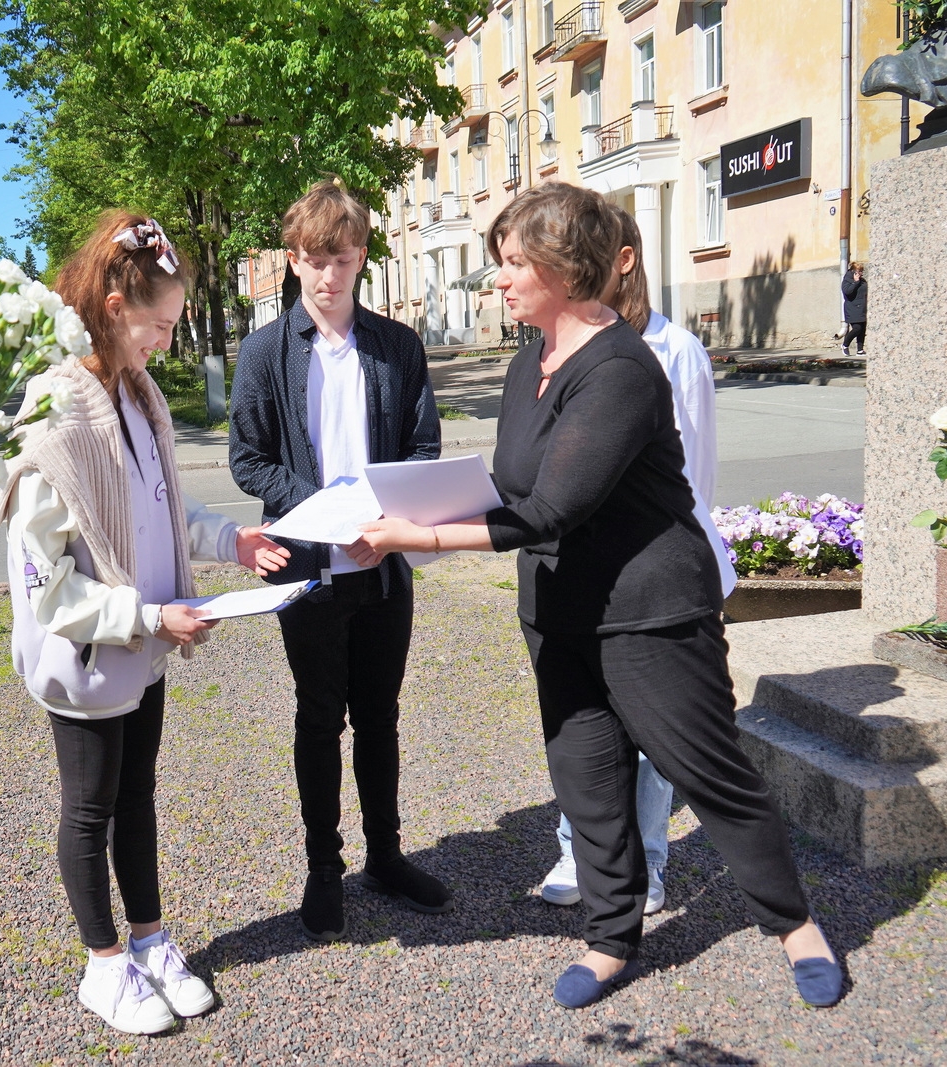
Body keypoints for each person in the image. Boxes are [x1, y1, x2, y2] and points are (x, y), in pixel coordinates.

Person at [351, 182, 843, 1011]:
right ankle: (613, 938)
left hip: (651, 614)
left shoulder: (620, 367)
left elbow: (552, 507)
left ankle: (797, 926)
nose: (499, 280)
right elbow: (513, 485)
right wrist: (419, 503)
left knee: (708, 771)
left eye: (514, 264)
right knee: (587, 783)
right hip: (559, 614)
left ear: (565, 267)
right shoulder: (527, 362)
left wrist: (415, 537)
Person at [0, 212, 290, 1036]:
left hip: (145, 647)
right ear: (116, 307)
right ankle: (104, 962)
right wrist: (152, 614)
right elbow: (46, 590)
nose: (167, 339)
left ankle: (151, 941)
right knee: (90, 810)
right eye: (160, 324)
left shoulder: (135, 394)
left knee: (138, 796)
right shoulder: (56, 415)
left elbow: (162, 508)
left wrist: (231, 541)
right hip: (90, 656)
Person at [230, 180, 451, 944]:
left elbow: (423, 447)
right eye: (317, 259)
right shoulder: (263, 353)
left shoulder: (397, 346)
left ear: (362, 258)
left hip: (383, 569)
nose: (330, 275)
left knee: (381, 717)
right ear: (294, 259)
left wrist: (384, 522)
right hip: (309, 574)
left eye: (344, 258)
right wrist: (325, 510)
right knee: (319, 718)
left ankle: (385, 856)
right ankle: (324, 867)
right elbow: (249, 459)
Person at [536, 207, 738, 916]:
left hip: (652, 572)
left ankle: (648, 859)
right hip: (580, 570)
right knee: (584, 722)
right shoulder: (557, 346)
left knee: (652, 733)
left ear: (623, 259)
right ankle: (581, 849)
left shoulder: (673, 349)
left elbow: (696, 476)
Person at [841, 263, 867, 356]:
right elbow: (847, 292)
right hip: (852, 308)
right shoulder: (847, 280)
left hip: (862, 307)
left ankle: (860, 350)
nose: (861, 273)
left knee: (862, 329)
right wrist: (855, 282)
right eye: (859, 271)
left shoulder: (862, 281)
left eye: (861, 271)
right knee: (857, 328)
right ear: (853, 271)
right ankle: (845, 345)